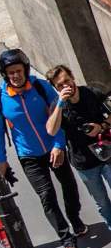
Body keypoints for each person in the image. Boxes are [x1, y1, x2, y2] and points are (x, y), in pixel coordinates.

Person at [0, 49, 88, 248]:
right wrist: (1, 159)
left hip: (54, 148)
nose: (15, 75)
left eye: (18, 70)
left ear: (25, 70)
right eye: (10, 72)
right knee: (47, 196)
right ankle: (67, 241)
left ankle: (75, 218)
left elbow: (58, 116)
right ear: (5, 74)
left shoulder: (41, 87)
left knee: (69, 186)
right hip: (29, 156)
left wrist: (58, 145)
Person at [45, 64, 111, 231]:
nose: (66, 86)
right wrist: (60, 103)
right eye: (60, 85)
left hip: (107, 154)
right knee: (102, 203)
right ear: (56, 88)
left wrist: (101, 126)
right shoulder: (58, 106)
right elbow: (51, 130)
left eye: (67, 80)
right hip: (84, 163)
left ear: (73, 78)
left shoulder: (91, 92)